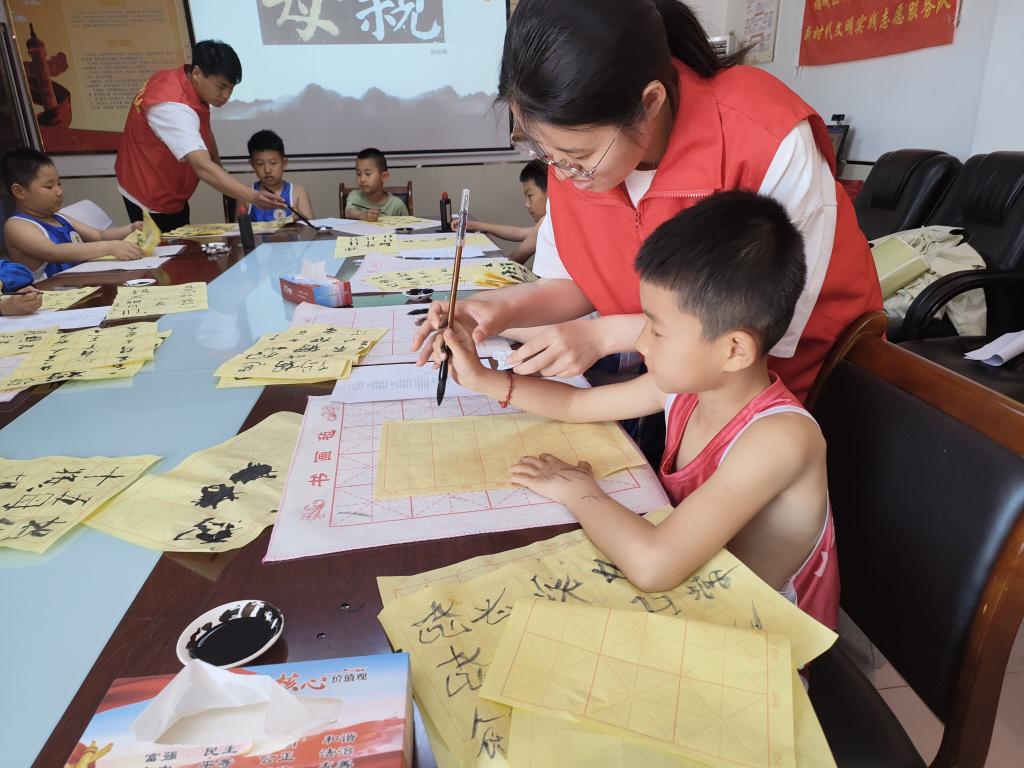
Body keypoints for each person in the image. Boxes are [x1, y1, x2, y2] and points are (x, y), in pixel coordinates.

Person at [414, 0, 881, 401]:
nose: (562, 174)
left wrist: (605, 334)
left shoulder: (765, 139)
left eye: (579, 156)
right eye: (543, 152)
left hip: (799, 391)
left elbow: (759, 327)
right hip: (676, 389)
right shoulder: (571, 157)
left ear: (650, 104)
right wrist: (495, 311)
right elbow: (580, 281)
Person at [430, 192, 838, 628]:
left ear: (734, 349)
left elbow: (654, 565)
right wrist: (483, 379)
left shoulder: (778, 438)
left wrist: (577, 490)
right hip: (699, 595)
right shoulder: (689, 390)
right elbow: (575, 403)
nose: (640, 343)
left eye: (656, 331)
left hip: (766, 636)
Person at [115, 40, 285, 232]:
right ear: (197, 73)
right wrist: (252, 196)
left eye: (231, 88)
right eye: (221, 87)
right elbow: (202, 167)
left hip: (170, 187)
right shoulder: (172, 108)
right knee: (167, 248)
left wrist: (220, 169)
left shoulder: (182, 79)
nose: (227, 96)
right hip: (149, 193)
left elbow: (203, 128)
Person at [2, 148, 143, 281]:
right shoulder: (16, 226)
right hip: (50, 294)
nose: (59, 192)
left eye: (59, 183)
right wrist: (109, 247)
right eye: (49, 186)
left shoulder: (59, 217)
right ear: (19, 191)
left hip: (83, 286)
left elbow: (100, 235)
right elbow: (53, 251)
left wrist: (131, 228)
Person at [460, 160, 548, 264]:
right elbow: (520, 233)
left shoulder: (547, 222)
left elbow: (513, 259)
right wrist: (477, 225)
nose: (527, 205)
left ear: (550, 191)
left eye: (530, 195)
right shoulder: (548, 223)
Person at [245, 129, 314, 222]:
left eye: (273, 163)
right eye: (260, 163)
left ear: (284, 163)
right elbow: (237, 229)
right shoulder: (246, 194)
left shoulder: (298, 192)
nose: (267, 170)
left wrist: (301, 218)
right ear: (252, 164)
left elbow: (312, 227)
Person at [344, 148, 409, 221]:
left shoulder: (397, 205)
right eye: (358, 174)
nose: (362, 179)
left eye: (367, 174)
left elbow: (409, 225)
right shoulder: (355, 196)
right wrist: (362, 215)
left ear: (384, 177)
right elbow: (348, 212)